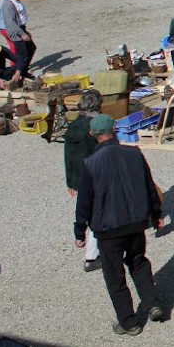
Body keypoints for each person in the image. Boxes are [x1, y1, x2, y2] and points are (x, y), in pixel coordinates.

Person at [73, 114, 164, 335]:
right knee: (138, 262)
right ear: (114, 129)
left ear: (92, 134)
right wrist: (156, 214)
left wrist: (80, 229)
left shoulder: (90, 163)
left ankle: (129, 321)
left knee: (115, 275)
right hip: (135, 222)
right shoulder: (134, 153)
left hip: (108, 228)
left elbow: (84, 200)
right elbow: (149, 186)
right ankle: (152, 303)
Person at [65, 90, 104, 272]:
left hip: (79, 177)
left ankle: (89, 246)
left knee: (87, 211)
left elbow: (69, 156)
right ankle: (92, 256)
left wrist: (71, 182)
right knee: (97, 213)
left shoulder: (73, 126)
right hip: (94, 176)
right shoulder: (94, 126)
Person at [0, 0, 36, 78]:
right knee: (22, 53)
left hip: (20, 28)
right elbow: (10, 22)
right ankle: (18, 73)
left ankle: (22, 70)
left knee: (30, 48)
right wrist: (21, 33)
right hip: (14, 31)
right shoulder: (6, 4)